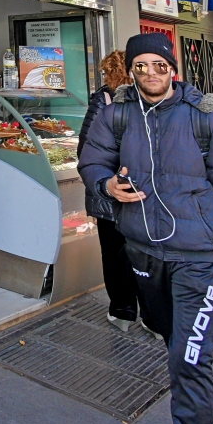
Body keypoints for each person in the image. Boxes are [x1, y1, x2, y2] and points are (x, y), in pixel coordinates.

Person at [80, 33, 213, 424]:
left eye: (159, 65)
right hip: (142, 252)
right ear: (131, 70)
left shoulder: (207, 120)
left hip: (196, 256)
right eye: (141, 66)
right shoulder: (116, 114)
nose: (150, 73)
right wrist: (105, 184)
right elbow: (91, 161)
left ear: (173, 69)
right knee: (176, 342)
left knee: (189, 359)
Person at [77, 49, 144, 331]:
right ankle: (153, 316)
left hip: (110, 189)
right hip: (144, 191)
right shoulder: (151, 100)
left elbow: (86, 149)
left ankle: (122, 312)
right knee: (147, 254)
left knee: (115, 253)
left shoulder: (103, 100)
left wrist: (103, 183)